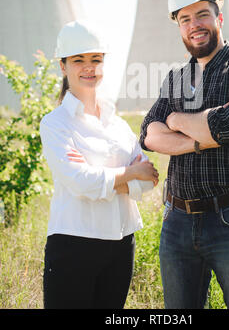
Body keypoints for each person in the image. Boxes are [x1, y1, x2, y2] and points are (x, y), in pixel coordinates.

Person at [140, 0, 229, 309]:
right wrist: (201, 137)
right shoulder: (175, 79)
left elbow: (225, 128)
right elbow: (149, 135)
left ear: (219, 18)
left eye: (202, 14)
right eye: (185, 19)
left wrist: (176, 120)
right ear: (179, 27)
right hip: (177, 223)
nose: (194, 25)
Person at [40, 20, 159, 309]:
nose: (88, 67)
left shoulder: (117, 125)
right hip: (73, 244)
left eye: (95, 59)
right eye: (78, 60)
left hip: (121, 243)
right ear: (63, 66)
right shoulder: (55, 124)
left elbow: (149, 180)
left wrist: (102, 180)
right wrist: (129, 172)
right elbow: (80, 181)